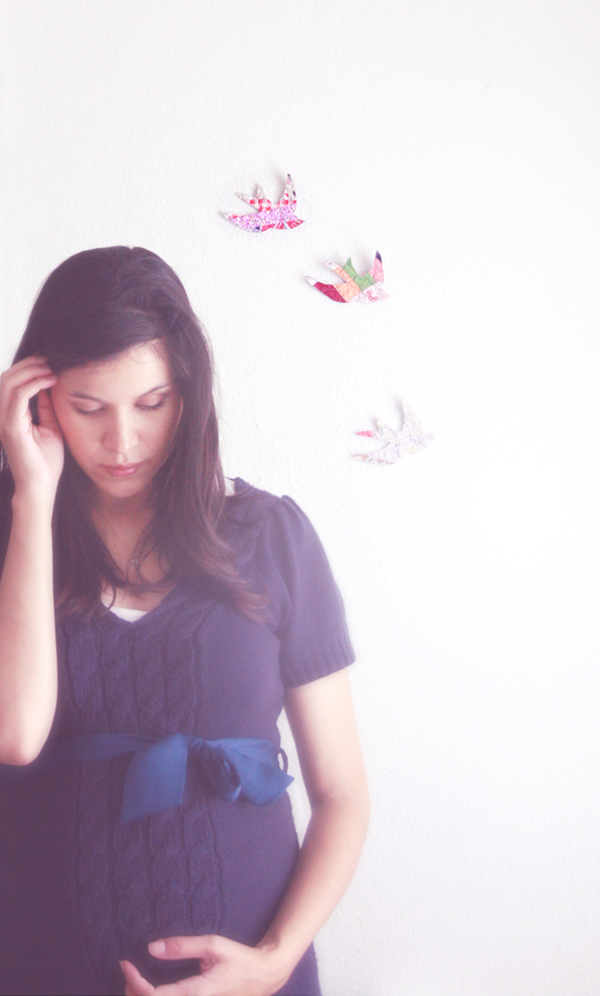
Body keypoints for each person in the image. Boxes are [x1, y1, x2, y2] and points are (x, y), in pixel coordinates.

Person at [0, 246, 369, 996]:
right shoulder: (15, 538)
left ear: (188, 393)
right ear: (39, 399)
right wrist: (31, 499)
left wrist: (271, 964)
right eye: (88, 408)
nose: (122, 443)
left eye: (151, 404)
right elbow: (17, 733)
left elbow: (343, 795)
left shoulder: (272, 538)